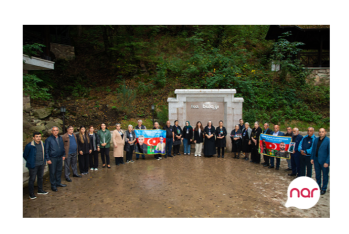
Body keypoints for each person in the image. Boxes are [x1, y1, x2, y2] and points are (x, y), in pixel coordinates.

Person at [23, 132, 49, 199]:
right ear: (33, 137)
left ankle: (40, 190)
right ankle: (31, 194)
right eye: (37, 136)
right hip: (33, 165)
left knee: (40, 177)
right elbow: (25, 155)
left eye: (39, 136)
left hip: (41, 164)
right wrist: (30, 161)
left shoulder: (42, 144)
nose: (38, 138)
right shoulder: (29, 146)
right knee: (32, 179)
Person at [45, 126, 66, 192]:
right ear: (51, 131)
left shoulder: (60, 138)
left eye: (57, 130)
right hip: (52, 158)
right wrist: (48, 159)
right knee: (52, 172)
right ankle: (53, 185)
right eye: (54, 130)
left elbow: (63, 147)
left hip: (60, 157)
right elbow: (46, 150)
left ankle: (58, 182)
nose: (55, 131)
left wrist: (64, 154)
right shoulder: (48, 139)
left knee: (59, 170)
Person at [311, 128, 331, 195]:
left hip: (324, 161)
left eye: (322, 132)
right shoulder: (316, 140)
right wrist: (312, 158)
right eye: (320, 132)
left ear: (325, 132)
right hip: (316, 160)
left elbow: (330, 153)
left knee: (325, 175)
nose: (321, 133)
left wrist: (327, 162)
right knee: (317, 174)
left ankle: (324, 188)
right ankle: (318, 186)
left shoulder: (328, 141)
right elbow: (313, 150)